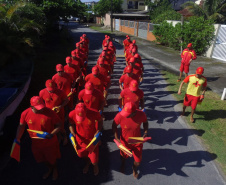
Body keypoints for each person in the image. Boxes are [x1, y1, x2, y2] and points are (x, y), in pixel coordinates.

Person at [15, 96, 62, 180]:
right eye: (38, 108)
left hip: (49, 143)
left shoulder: (50, 112)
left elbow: (59, 125)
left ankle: (55, 169)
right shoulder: (25, 113)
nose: (41, 109)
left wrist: (51, 134)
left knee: (52, 159)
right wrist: (18, 138)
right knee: (42, 159)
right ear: (31, 107)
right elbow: (21, 126)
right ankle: (50, 169)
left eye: (42, 106)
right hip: (36, 144)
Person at [112, 102, 148, 178]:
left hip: (136, 141)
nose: (125, 115)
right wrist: (116, 137)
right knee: (123, 157)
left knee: (138, 162)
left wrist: (145, 131)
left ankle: (134, 168)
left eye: (127, 114)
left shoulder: (141, 114)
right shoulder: (120, 115)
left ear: (134, 112)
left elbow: (145, 122)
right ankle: (123, 164)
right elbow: (114, 124)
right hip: (125, 141)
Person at [69, 103, 103, 175]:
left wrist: (98, 131)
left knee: (94, 159)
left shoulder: (94, 113)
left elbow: (100, 121)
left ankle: (95, 165)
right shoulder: (71, 114)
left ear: (86, 111)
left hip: (92, 140)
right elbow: (70, 123)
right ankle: (88, 163)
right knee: (82, 155)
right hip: (80, 140)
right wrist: (72, 132)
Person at [39, 79, 69, 145]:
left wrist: (60, 106)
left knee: (61, 127)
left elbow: (66, 100)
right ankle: (58, 137)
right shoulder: (42, 92)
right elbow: (40, 102)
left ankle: (65, 137)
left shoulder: (60, 92)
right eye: (50, 89)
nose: (51, 90)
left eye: (53, 88)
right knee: (52, 127)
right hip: (49, 114)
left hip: (59, 113)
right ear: (45, 86)